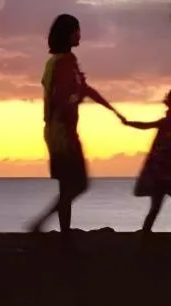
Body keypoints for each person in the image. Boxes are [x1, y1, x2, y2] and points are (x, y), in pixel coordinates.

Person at [28, 13, 125, 236]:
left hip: (62, 129)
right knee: (78, 183)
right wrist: (75, 99)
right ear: (67, 33)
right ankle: (42, 223)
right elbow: (63, 99)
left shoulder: (67, 62)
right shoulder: (61, 63)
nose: (80, 34)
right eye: (76, 29)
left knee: (68, 185)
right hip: (61, 131)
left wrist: (113, 111)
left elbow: (86, 89)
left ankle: (64, 234)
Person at [124, 88, 171, 245]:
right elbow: (149, 128)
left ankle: (144, 239)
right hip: (165, 173)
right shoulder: (168, 122)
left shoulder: (170, 122)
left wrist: (129, 123)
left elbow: (147, 126)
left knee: (156, 208)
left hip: (160, 172)